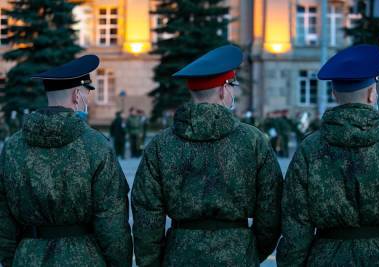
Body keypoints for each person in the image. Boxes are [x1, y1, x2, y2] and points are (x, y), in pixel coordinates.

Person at [132, 45, 283, 266]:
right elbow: (271, 211)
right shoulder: (253, 140)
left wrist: (155, 261)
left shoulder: (161, 144)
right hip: (238, 254)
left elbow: (146, 216)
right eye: (232, 86)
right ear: (223, 90)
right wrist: (249, 250)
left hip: (180, 255)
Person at [0, 55, 132, 267]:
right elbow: (112, 220)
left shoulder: (13, 146)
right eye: (86, 94)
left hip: (27, 256)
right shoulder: (96, 145)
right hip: (84, 258)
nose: (86, 101)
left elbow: (4, 216)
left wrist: (10, 260)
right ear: (76, 95)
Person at [277, 44, 379, 266]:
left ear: (334, 93)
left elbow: (296, 224)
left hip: (325, 257)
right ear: (372, 94)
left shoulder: (310, 149)